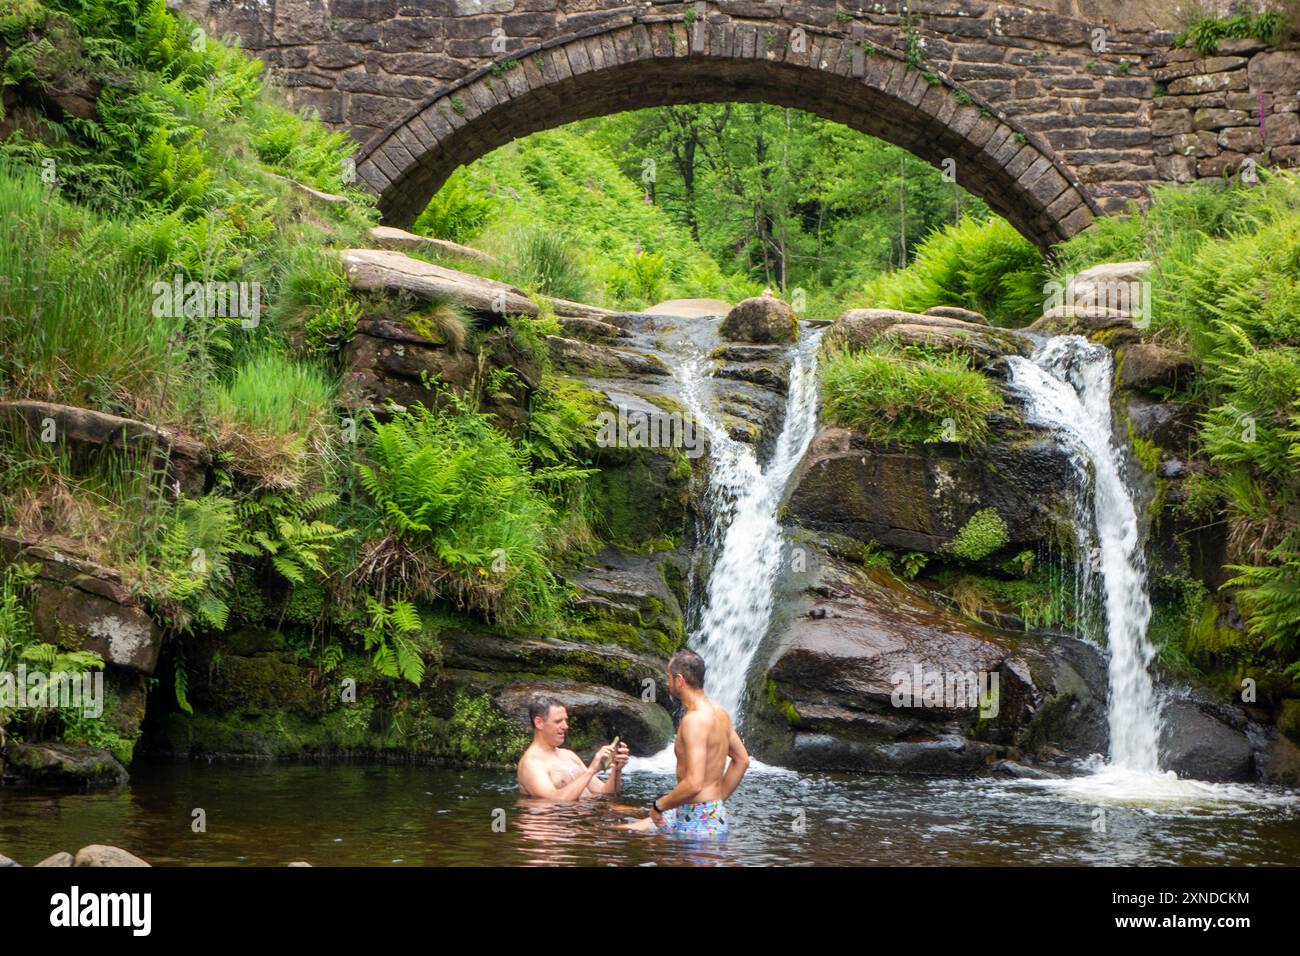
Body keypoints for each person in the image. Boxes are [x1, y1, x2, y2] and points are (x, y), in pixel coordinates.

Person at [629, 649, 749, 836]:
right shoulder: (720, 713)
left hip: (696, 821)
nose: (667, 683)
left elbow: (694, 783)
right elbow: (742, 760)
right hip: (708, 814)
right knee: (625, 830)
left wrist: (658, 805)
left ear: (679, 680)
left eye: (668, 677)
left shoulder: (694, 721)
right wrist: (716, 800)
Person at [516, 695, 629, 800]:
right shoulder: (531, 763)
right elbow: (554, 800)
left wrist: (616, 768)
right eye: (558, 721)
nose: (565, 726)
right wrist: (591, 770)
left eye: (565, 720)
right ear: (539, 723)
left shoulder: (569, 755)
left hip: (589, 814)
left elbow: (604, 792)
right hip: (563, 819)